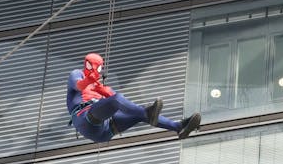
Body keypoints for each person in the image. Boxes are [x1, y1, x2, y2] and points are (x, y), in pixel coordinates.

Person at [67, 53, 201, 142]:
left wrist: (105, 91)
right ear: (86, 65)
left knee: (137, 112)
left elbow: (120, 106)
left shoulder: (100, 86)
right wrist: (90, 80)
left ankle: (178, 127)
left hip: (106, 129)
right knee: (126, 104)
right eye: (92, 66)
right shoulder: (77, 74)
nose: (95, 70)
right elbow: (78, 86)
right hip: (85, 118)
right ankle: (147, 112)